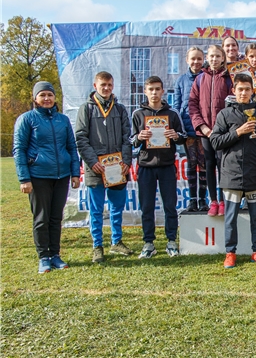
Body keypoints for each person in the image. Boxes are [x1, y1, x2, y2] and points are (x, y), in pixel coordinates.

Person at [13, 81, 80, 273]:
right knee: (41, 218)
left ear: (54, 97)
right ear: (35, 98)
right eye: (42, 95)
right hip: (38, 176)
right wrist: (24, 179)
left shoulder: (63, 120)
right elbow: (19, 150)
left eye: (49, 95)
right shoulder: (27, 119)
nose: (47, 98)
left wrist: (75, 173)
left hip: (62, 176)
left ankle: (55, 255)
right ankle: (43, 257)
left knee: (55, 218)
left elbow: (71, 147)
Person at [210, 74, 256, 268]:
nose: (243, 93)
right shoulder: (224, 114)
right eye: (240, 89)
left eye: (247, 89)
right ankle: (230, 253)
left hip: (254, 174)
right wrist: (238, 132)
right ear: (234, 91)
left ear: (252, 90)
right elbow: (215, 142)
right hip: (231, 174)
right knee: (230, 218)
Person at [75, 71, 133, 263]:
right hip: (96, 168)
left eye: (109, 85)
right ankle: (97, 246)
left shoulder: (120, 109)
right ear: (95, 86)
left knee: (117, 207)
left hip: (117, 167)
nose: (106, 88)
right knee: (96, 209)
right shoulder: (86, 108)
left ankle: (116, 241)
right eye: (103, 85)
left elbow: (127, 137)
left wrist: (126, 160)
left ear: (113, 85)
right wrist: (92, 162)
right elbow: (81, 138)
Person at [131, 76, 187, 259]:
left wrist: (175, 135)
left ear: (163, 91)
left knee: (170, 205)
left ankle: (171, 241)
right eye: (151, 89)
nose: (154, 93)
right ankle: (148, 243)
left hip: (167, 165)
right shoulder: (138, 114)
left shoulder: (172, 114)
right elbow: (131, 141)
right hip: (146, 166)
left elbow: (183, 136)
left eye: (157, 89)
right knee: (146, 206)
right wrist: (140, 137)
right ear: (145, 91)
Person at [188, 45, 233, 216]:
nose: (214, 59)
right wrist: (203, 127)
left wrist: (223, 130)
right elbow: (192, 105)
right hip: (206, 132)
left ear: (223, 58)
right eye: (211, 56)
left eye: (217, 56)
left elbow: (232, 105)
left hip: (223, 134)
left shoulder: (229, 79)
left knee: (223, 166)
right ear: (207, 57)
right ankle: (213, 200)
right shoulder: (199, 79)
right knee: (209, 165)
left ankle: (223, 201)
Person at [173, 47, 208, 212]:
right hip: (188, 130)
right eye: (193, 59)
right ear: (187, 60)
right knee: (191, 164)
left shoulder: (207, 77)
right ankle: (192, 200)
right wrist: (179, 128)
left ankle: (203, 199)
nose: (196, 62)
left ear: (203, 60)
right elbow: (177, 106)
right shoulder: (181, 80)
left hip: (204, 130)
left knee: (204, 165)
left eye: (199, 59)